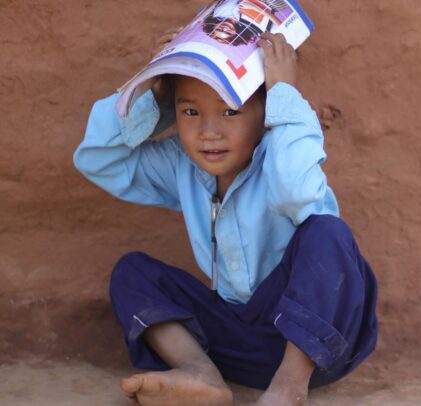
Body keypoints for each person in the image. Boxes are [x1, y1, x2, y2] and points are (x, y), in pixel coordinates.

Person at [73, 30, 378, 406]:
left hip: (316, 346)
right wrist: (154, 94)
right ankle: (200, 372)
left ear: (266, 111)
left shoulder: (282, 158)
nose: (209, 133)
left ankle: (288, 389)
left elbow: (298, 194)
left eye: (230, 111)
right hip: (238, 341)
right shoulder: (181, 165)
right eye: (190, 112)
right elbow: (98, 159)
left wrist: (283, 92)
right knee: (132, 272)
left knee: (327, 232)